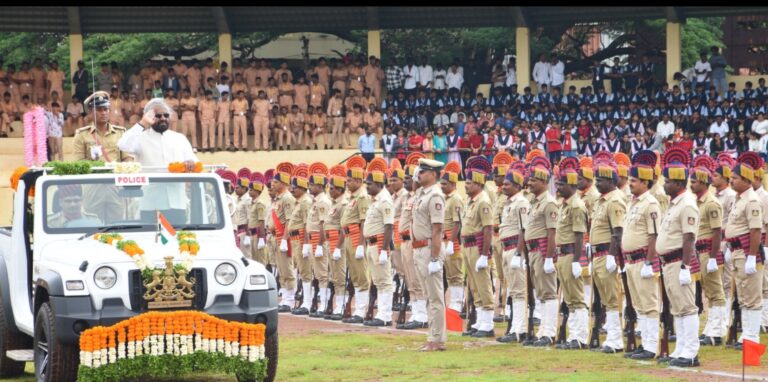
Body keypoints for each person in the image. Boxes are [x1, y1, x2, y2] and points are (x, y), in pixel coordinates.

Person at [116, 98, 199, 224]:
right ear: (150, 117)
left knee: (177, 241)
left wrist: (190, 164)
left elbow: (193, 161)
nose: (163, 118)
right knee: (150, 241)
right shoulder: (141, 138)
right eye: (158, 115)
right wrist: (143, 122)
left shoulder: (179, 138)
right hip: (151, 204)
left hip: (177, 202)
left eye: (166, 115)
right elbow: (123, 145)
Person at [655, 163, 701, 367]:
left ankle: (691, 351)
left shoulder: (687, 204)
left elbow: (689, 237)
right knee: (677, 308)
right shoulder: (674, 204)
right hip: (668, 262)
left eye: (668, 182)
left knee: (687, 307)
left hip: (679, 261)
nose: (665, 185)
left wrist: (686, 266)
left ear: (678, 183)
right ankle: (681, 348)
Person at [621, 164, 662, 360]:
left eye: (634, 181)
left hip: (642, 260)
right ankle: (645, 343)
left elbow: (654, 235)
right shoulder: (633, 202)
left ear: (645, 183)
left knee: (649, 304)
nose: (630, 184)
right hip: (630, 261)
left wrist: (649, 263)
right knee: (638, 305)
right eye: (629, 180)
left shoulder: (650, 204)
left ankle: (651, 347)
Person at [723, 163, 764, 351]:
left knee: (751, 295)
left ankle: (752, 338)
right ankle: (746, 335)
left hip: (747, 252)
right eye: (731, 177)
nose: (731, 180)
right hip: (737, 251)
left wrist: (751, 256)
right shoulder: (739, 199)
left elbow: (756, 229)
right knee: (743, 295)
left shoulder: (751, 200)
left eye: (735, 178)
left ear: (747, 180)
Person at [550, 168, 590, 350]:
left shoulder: (576, 206)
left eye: (561, 184)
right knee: (569, 298)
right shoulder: (564, 204)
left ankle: (580, 337)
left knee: (576, 297)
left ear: (571, 185)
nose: (558, 187)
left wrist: (577, 260)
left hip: (570, 253)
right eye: (557, 183)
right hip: (562, 254)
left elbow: (579, 235)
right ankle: (574, 335)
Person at [589, 164, 627, 353]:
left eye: (600, 180)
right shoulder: (601, 201)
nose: (597, 183)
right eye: (596, 180)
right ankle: (612, 337)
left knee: (612, 298)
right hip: (597, 254)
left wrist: (612, 255)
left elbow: (618, 230)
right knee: (606, 299)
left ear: (611, 181)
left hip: (606, 253)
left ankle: (616, 339)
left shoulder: (614, 201)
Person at [412, 159, 448, 351]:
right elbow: (414, 186)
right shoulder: (421, 193)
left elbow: (437, 229)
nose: (419, 174)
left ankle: (437, 339)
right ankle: (433, 336)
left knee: (435, 296)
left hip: (429, 248)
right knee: (428, 295)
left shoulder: (435, 196)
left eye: (423, 171)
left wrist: (434, 258)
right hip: (419, 248)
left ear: (433, 174)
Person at [689, 167, 727, 347]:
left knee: (715, 291)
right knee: (708, 291)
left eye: (694, 181)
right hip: (699, 251)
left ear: (703, 182)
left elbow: (717, 231)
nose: (691, 184)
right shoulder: (697, 202)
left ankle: (717, 332)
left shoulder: (711, 203)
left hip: (708, 251)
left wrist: (713, 257)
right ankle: (711, 329)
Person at [521, 165, 559, 347]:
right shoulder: (534, 202)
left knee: (548, 292)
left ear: (544, 182)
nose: (529, 183)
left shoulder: (549, 202)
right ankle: (542, 330)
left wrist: (550, 257)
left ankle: (549, 332)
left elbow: (552, 232)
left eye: (533, 180)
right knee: (541, 292)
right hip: (533, 251)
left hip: (543, 250)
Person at [496, 169, 532, 344]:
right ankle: (515, 327)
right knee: (512, 290)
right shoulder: (509, 203)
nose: (504, 186)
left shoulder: (521, 203)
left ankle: (520, 328)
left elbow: (523, 229)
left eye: (507, 184)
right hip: (506, 248)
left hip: (514, 249)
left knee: (519, 290)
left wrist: (519, 253)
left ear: (517, 186)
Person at [461, 166, 495, 338]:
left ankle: (488, 323)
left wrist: (484, 254)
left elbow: (488, 229)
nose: (465, 186)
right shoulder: (471, 200)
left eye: (468, 183)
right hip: (467, 246)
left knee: (483, 283)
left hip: (477, 246)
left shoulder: (483, 201)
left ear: (478, 184)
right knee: (474, 285)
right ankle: (481, 320)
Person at [361, 170, 395, 326]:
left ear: (379, 184)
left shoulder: (385, 201)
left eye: (369, 184)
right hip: (371, 244)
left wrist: (383, 249)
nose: (367, 187)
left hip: (379, 243)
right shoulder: (375, 200)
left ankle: (385, 315)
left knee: (384, 281)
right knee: (378, 281)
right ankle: (382, 313)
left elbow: (389, 226)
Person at [395, 165, 428, 329]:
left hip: (414, 242)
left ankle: (422, 315)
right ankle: (416, 312)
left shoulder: (420, 198)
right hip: (404, 242)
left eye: (411, 178)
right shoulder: (409, 198)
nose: (408, 181)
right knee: (409, 280)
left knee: (416, 279)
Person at [340, 166, 372, 324]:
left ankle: (362, 309)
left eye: (350, 180)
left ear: (359, 181)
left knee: (361, 274)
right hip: (347, 237)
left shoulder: (362, 197)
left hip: (355, 237)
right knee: (354, 274)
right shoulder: (351, 197)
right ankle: (359, 308)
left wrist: (360, 244)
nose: (347, 182)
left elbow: (363, 221)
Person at [440, 165, 465, 313]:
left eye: (445, 184)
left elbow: (458, 222)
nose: (442, 186)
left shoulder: (455, 199)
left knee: (455, 272)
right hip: (444, 238)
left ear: (453, 184)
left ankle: (458, 301)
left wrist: (451, 242)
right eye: (441, 183)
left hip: (452, 240)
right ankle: (454, 300)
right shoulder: (445, 198)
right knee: (449, 272)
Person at [306, 174, 332, 318]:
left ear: (320, 186)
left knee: (322, 275)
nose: (309, 187)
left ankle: (324, 304)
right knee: (317, 274)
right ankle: (321, 303)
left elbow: (323, 224)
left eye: (312, 185)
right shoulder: (315, 201)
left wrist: (320, 245)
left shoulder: (322, 202)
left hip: (318, 240)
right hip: (313, 240)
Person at [325, 176, 350, 320]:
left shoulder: (343, 204)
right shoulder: (334, 204)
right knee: (333, 276)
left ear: (340, 190)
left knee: (340, 277)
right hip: (330, 242)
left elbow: (343, 227)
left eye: (332, 188)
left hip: (337, 243)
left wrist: (338, 247)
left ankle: (341, 306)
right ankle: (337, 305)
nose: (330, 190)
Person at [247, 177, 268, 265]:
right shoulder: (252, 203)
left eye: (251, 190)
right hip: (252, 235)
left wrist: (261, 238)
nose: (249, 191)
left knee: (260, 259)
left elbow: (261, 221)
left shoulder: (259, 203)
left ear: (257, 191)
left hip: (257, 235)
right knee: (254, 260)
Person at [233, 177, 253, 258]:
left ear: (244, 188)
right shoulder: (237, 200)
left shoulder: (248, 200)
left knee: (246, 256)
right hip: (238, 231)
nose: (235, 189)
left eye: (237, 187)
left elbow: (249, 218)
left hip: (244, 231)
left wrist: (248, 235)